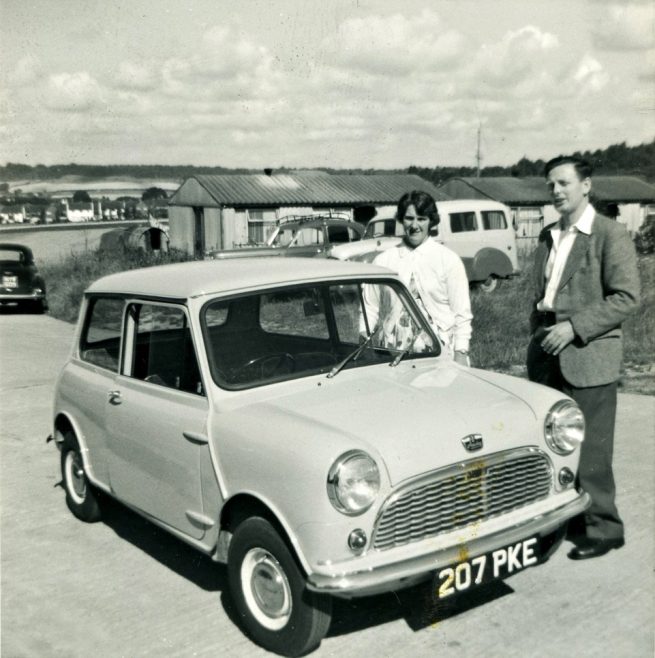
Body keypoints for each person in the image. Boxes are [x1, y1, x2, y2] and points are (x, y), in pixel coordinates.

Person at [527, 155, 640, 560]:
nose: (556, 191)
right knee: (552, 443)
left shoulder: (609, 234)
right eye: (550, 186)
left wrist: (574, 328)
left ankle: (605, 528)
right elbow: (541, 295)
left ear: (586, 185)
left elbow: (627, 297)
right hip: (546, 349)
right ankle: (568, 519)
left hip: (587, 352)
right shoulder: (547, 235)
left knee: (591, 448)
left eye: (564, 183)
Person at [363, 190, 472, 365]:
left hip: (439, 353)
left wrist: (461, 352)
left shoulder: (448, 260)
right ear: (400, 219)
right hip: (392, 352)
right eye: (409, 218)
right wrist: (364, 339)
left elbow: (462, 313)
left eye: (422, 219)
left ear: (431, 221)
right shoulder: (384, 260)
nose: (415, 225)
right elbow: (369, 306)